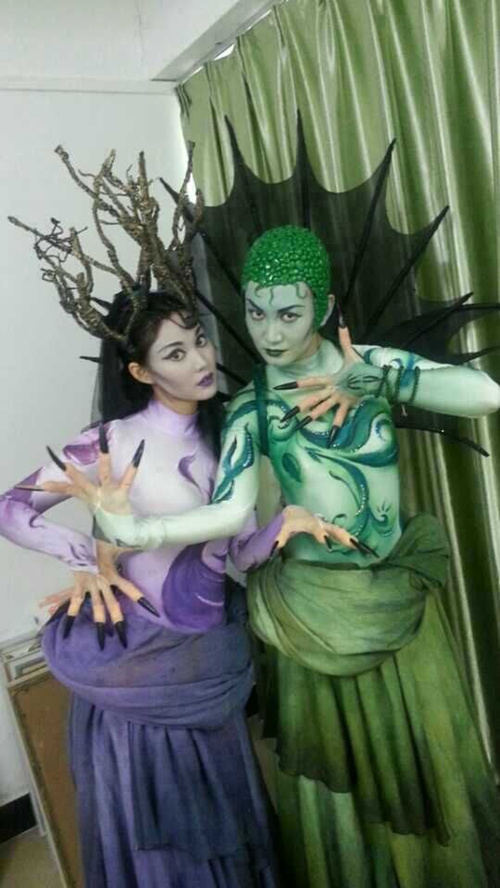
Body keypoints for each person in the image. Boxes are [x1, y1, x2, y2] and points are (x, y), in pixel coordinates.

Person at [68, 226, 500, 887]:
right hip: (311, 613)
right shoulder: (254, 406)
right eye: (256, 313)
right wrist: (137, 531)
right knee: (342, 788)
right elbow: (229, 513)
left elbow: (487, 395)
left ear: (323, 309)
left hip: (393, 599)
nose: (270, 333)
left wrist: (378, 378)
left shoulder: (367, 364)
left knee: (425, 757)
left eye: (289, 314)